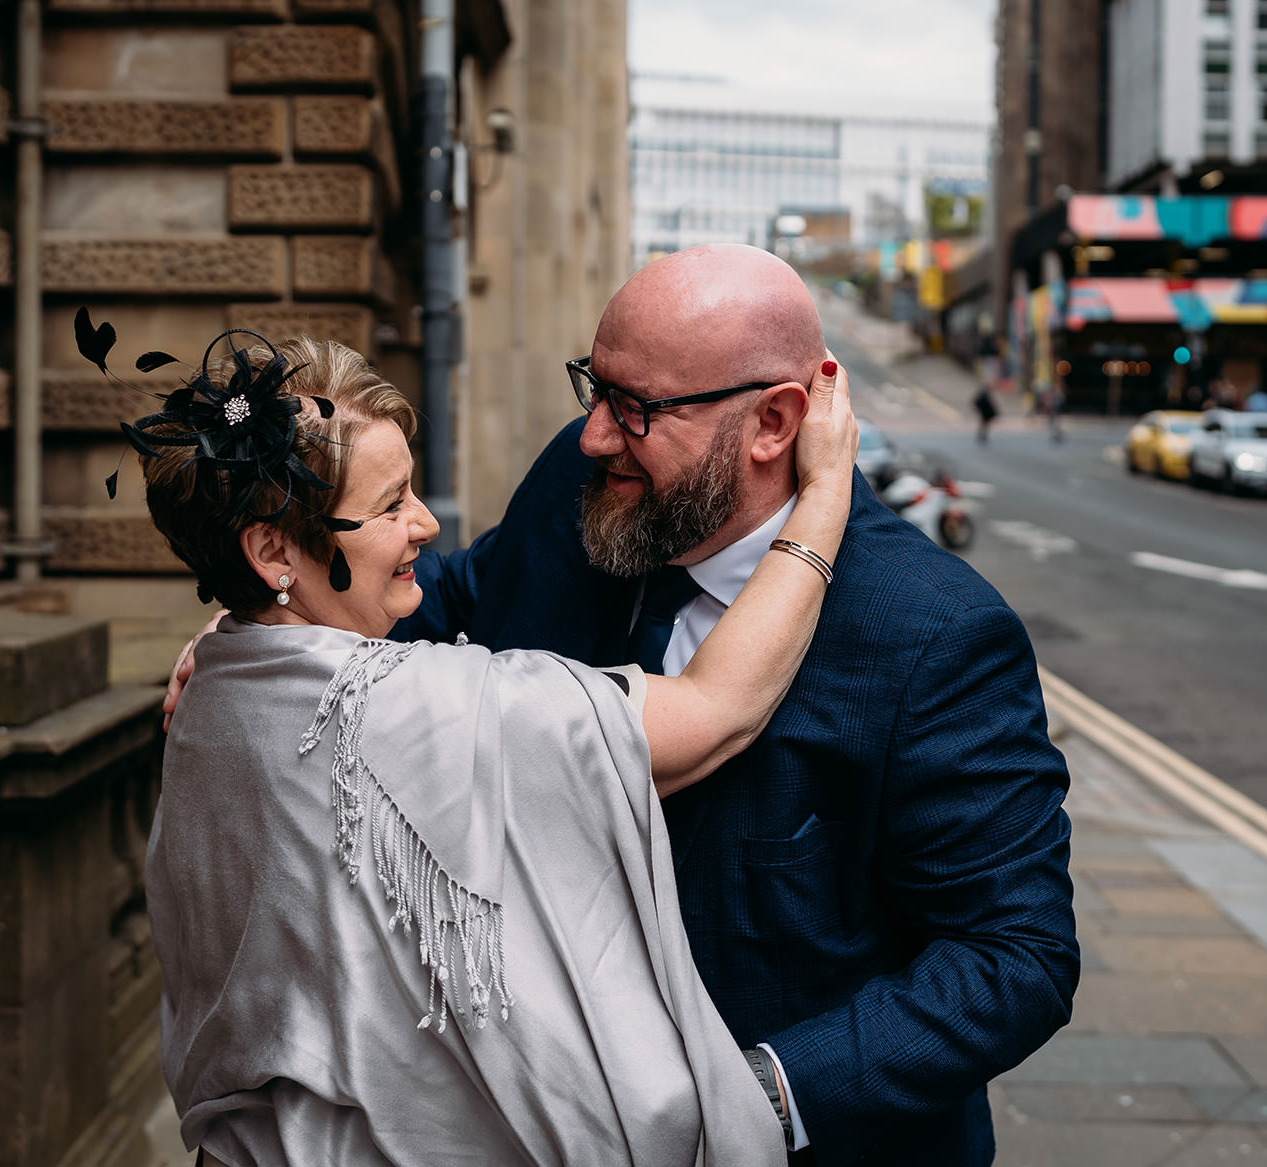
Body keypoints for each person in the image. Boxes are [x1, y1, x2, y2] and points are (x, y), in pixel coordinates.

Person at [167, 246, 1079, 1165]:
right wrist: (261, 622)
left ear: (775, 421)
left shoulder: (937, 636)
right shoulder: (588, 480)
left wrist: (762, 1094)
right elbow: (459, 591)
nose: (596, 435)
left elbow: (1016, 956)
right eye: (592, 389)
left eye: (635, 407)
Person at [117, 318, 860, 1166]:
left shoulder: (218, 677)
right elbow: (716, 708)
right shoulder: (416, 707)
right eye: (391, 503)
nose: (427, 523)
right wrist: (826, 489)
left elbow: (460, 580)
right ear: (272, 549)